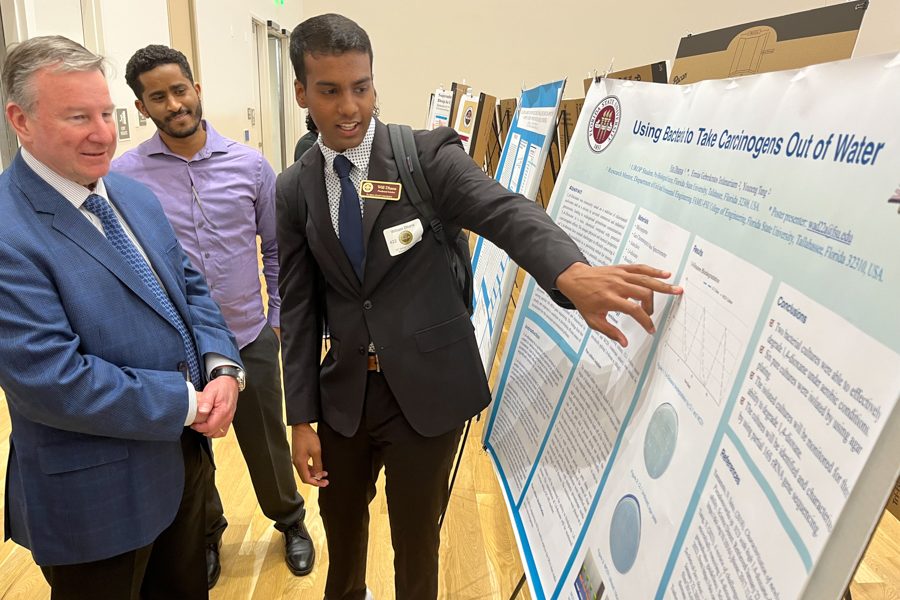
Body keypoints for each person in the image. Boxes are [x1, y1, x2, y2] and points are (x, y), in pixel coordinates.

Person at [276, 14, 683, 600]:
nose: (349, 108)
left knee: (416, 546)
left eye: (361, 87)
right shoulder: (294, 188)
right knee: (342, 539)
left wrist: (569, 272)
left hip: (426, 393)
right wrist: (300, 417)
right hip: (343, 400)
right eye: (330, 91)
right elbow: (297, 307)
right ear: (301, 93)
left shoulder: (423, 157)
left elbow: (505, 210)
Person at [0, 36, 242, 599]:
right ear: (22, 121)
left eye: (106, 113)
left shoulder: (132, 196)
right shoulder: (9, 232)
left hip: (181, 471)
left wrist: (223, 365)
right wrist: (187, 401)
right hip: (95, 501)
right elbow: (52, 381)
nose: (103, 132)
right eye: (78, 117)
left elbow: (189, 289)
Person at [112, 45, 314, 588]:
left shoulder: (249, 165)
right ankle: (206, 532)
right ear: (142, 105)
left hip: (248, 334)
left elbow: (277, 250)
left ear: (196, 89)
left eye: (180, 89)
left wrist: (277, 319)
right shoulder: (125, 177)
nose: (174, 103)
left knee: (266, 442)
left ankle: (289, 520)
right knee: (189, 452)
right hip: (174, 348)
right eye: (158, 96)